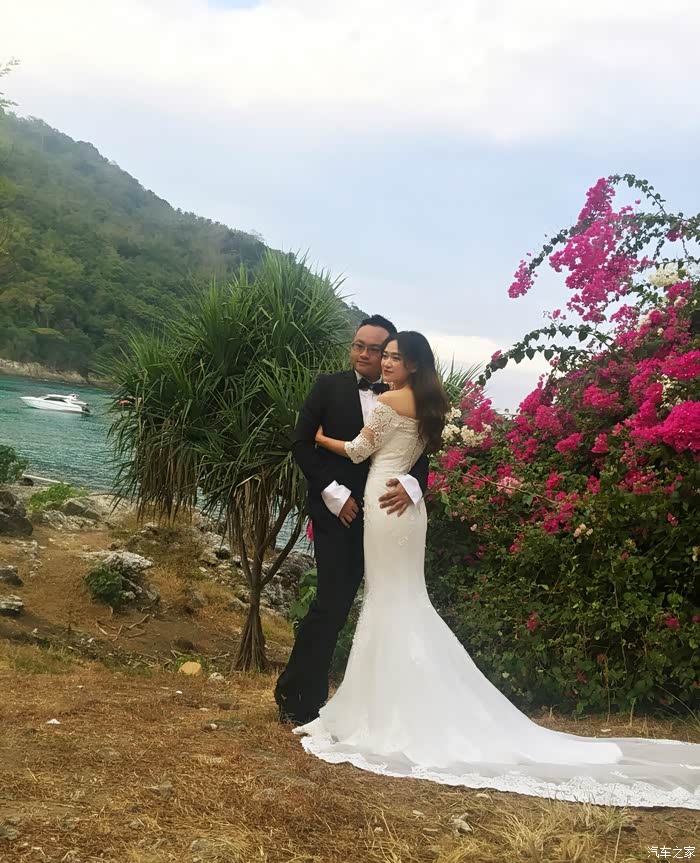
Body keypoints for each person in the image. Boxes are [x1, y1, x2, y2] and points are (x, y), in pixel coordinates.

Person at [291, 330, 700, 810]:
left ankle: (388, 707)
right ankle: (400, 699)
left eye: (394, 357)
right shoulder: (430, 402)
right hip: (407, 512)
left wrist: (320, 438)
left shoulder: (390, 401)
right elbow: (417, 455)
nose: (384, 362)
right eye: (385, 355)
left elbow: (361, 452)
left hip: (385, 504)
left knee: (388, 599)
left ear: (413, 364)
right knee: (404, 598)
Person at [274, 316, 429, 726]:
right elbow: (301, 442)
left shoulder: (408, 399)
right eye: (358, 345)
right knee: (330, 607)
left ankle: (386, 706)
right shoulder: (327, 386)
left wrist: (412, 487)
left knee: (390, 604)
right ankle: (298, 698)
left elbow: (420, 456)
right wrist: (334, 494)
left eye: (375, 350)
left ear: (393, 355)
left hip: (388, 516)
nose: (364, 354)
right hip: (338, 516)